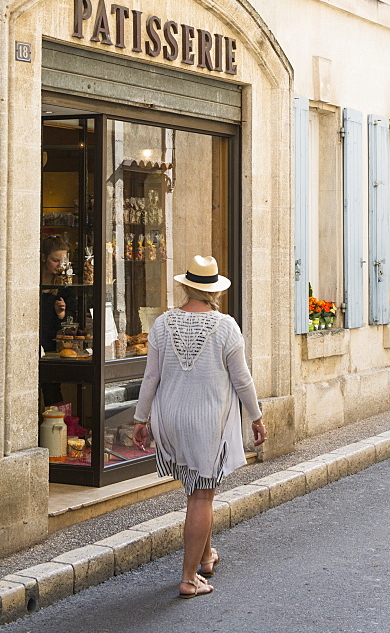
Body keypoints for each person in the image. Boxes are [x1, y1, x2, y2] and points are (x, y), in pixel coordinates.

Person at [132, 255, 267, 599]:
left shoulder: (162, 323)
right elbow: (242, 380)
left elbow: (151, 377)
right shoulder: (226, 326)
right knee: (202, 495)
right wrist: (257, 416)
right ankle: (190, 578)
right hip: (207, 420)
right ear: (214, 291)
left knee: (198, 490)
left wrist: (140, 418)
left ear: (185, 286)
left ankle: (205, 556)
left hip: (172, 417)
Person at [40, 236, 76, 354]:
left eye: (63, 261)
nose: (60, 265)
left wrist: (61, 314)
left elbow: (72, 320)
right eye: (55, 261)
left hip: (55, 347)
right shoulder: (31, 283)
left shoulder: (65, 286)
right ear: (44, 257)